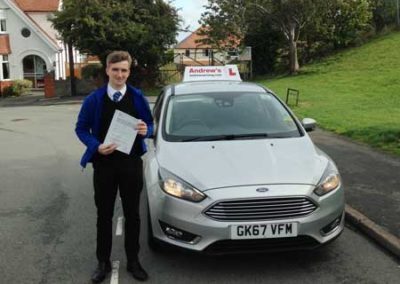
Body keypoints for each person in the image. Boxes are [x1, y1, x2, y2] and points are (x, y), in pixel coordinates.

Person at [75, 51, 153, 283]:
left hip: (131, 164)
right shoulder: (94, 99)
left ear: (129, 72)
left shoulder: (138, 97)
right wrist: (96, 147)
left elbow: (149, 123)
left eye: (124, 70)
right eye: (115, 69)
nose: (120, 74)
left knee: (133, 215)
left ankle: (133, 261)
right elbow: (81, 129)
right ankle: (102, 262)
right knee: (104, 215)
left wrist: (145, 130)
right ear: (107, 70)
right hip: (104, 165)